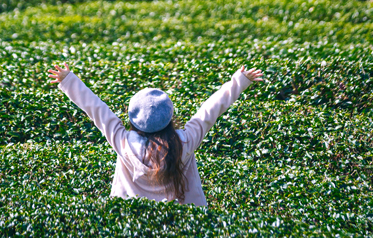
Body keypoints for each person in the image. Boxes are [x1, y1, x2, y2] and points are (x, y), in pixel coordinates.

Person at [48, 63, 263, 206]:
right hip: (184, 222)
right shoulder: (184, 140)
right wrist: (240, 81)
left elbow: (96, 109)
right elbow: (210, 110)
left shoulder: (123, 142)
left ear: (133, 120)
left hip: (131, 219)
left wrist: (68, 80)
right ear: (169, 117)